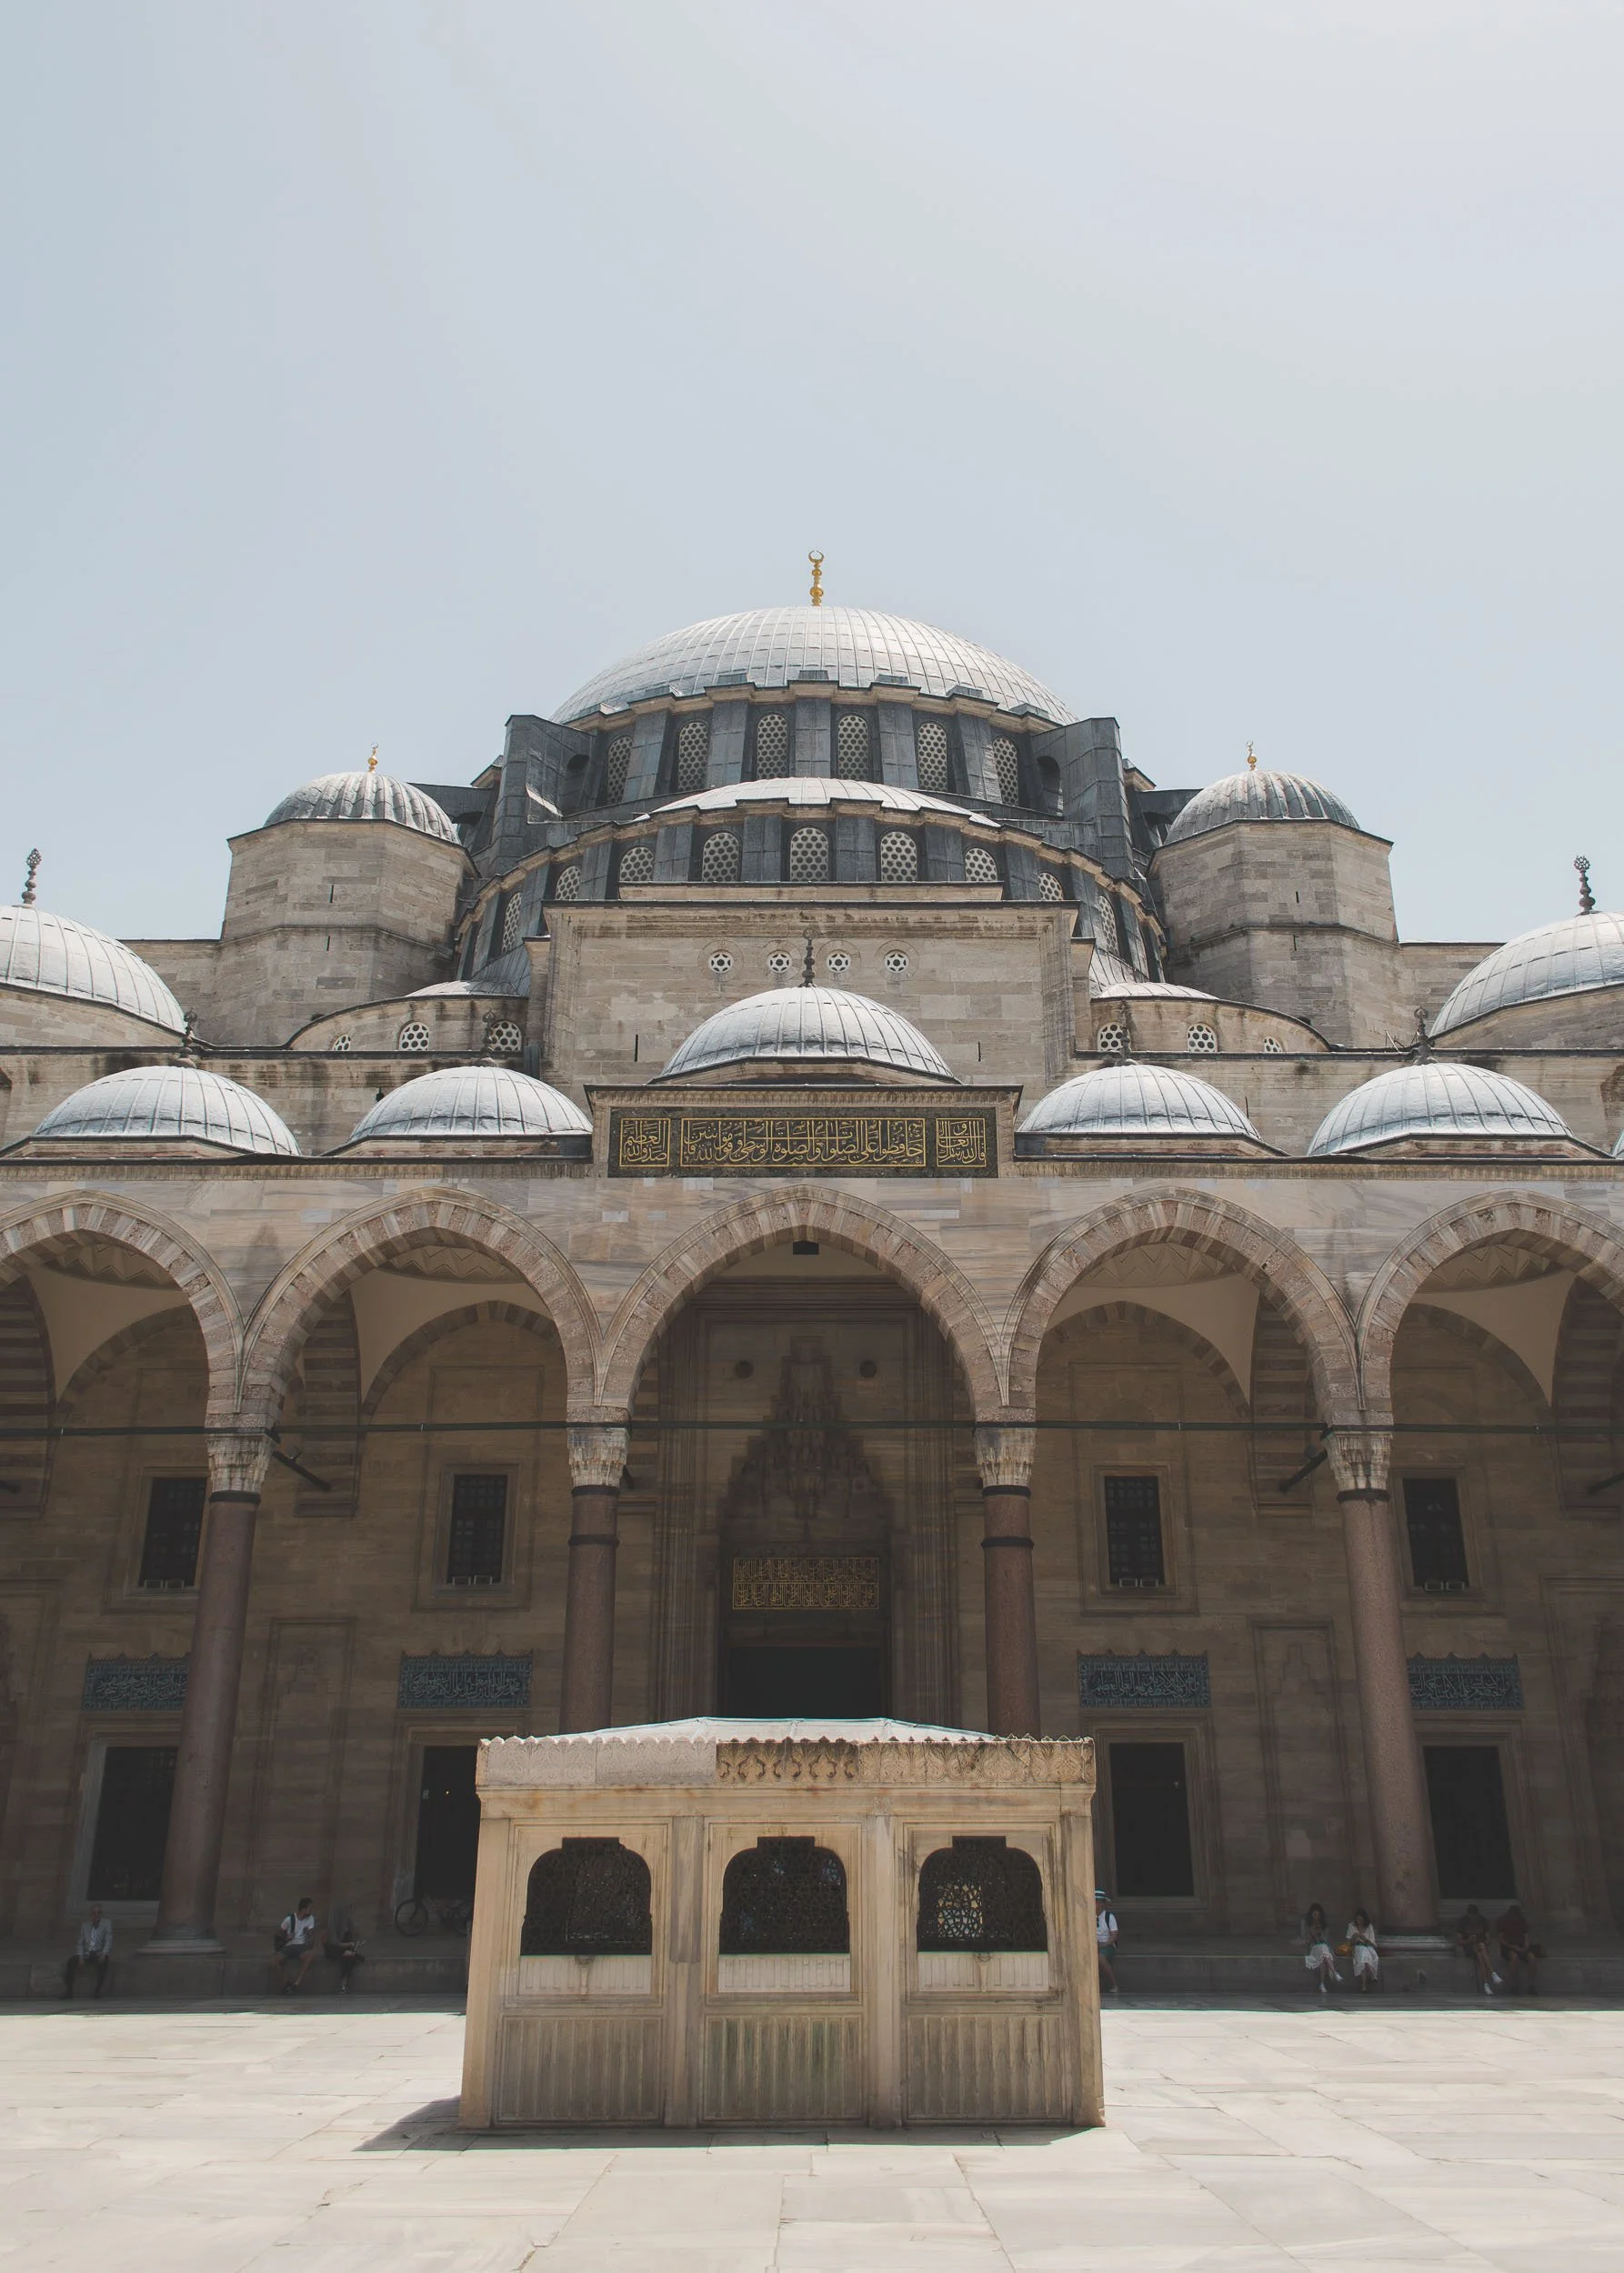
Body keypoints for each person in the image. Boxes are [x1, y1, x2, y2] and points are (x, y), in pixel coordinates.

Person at [62, 1904, 112, 1998]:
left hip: (98, 1952)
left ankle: (98, 1991)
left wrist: (104, 1953)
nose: (97, 1915)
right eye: (94, 1913)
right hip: (87, 1953)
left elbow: (108, 1940)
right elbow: (80, 1942)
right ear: (91, 1915)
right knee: (71, 1962)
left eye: (99, 1913)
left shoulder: (106, 1923)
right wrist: (80, 1956)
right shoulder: (85, 1925)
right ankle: (69, 1991)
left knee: (104, 1962)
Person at [276, 1897, 320, 1993]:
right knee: (274, 1961)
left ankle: (296, 1984)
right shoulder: (290, 1919)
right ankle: (286, 1982)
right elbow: (279, 1933)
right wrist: (287, 1937)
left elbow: (310, 1936)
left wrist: (309, 1935)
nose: (311, 1910)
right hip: (289, 1945)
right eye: (310, 1908)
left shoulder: (310, 1918)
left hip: (301, 1946)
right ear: (304, 1909)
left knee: (310, 1956)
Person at [1496, 1902, 1540, 1995]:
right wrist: (1513, 1947)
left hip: (1520, 1946)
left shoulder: (1522, 1921)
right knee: (1514, 1958)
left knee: (1532, 1957)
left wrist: (1526, 1946)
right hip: (1508, 1947)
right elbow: (1501, 1940)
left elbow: (1526, 1936)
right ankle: (1514, 1985)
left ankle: (1531, 1985)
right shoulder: (1502, 1921)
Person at [1455, 1904, 1500, 1994]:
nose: (1474, 1918)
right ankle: (1493, 1973)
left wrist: (1484, 1942)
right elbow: (1459, 1941)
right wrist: (1469, 1940)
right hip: (1469, 1947)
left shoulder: (1483, 1920)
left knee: (1480, 1954)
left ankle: (1486, 1985)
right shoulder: (1462, 1921)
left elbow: (1488, 1938)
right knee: (1481, 1948)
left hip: (1481, 1949)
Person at [324, 1906, 366, 1994]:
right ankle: (354, 1955)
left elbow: (350, 1941)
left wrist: (353, 1945)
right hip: (333, 1950)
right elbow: (335, 1944)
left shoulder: (347, 1928)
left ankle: (344, 1985)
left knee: (349, 1959)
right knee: (347, 1955)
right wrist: (350, 1944)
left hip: (344, 1951)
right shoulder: (332, 1928)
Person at [1301, 1903, 1340, 1992]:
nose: (1316, 1917)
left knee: (1323, 1956)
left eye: (1318, 1915)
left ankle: (1322, 1984)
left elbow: (1325, 1940)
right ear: (1312, 1915)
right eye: (1315, 1915)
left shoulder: (1324, 1926)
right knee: (1322, 1951)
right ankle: (1335, 1973)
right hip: (1314, 1947)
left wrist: (1320, 1933)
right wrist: (1312, 1934)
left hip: (1323, 1947)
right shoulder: (1307, 1925)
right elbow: (1306, 1940)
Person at [1346, 1909, 1380, 1993]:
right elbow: (1348, 1942)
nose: (1359, 1921)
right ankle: (1372, 1975)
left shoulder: (1369, 1927)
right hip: (1358, 1947)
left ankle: (1364, 1984)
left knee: (1371, 1957)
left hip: (1368, 1947)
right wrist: (1354, 1938)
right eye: (1357, 1919)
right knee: (1364, 1954)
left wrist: (1365, 1939)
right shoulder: (1351, 1926)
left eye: (1361, 1920)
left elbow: (1373, 1943)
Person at [1095, 1888, 1119, 1995]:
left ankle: (1114, 1984)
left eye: (1098, 1901)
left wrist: (1104, 1944)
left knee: (1100, 1957)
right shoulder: (1087, 1916)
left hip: (1107, 1945)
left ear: (1101, 1904)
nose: (1096, 1904)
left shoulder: (1109, 1917)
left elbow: (1114, 1935)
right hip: (1094, 1945)